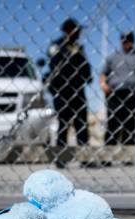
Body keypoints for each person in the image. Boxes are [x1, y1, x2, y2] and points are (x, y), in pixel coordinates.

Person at [100, 31, 135, 145]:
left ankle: (129, 155)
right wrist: (103, 85)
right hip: (115, 93)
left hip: (132, 93)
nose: (126, 43)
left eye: (129, 40)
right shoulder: (113, 57)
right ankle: (107, 155)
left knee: (130, 125)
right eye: (124, 40)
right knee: (112, 123)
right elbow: (103, 74)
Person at [46, 18, 92, 152]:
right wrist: (67, 52)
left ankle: (85, 155)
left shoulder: (79, 47)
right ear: (69, 31)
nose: (79, 33)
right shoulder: (56, 45)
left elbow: (85, 66)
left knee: (81, 124)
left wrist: (87, 77)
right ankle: (61, 156)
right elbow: (53, 63)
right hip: (62, 91)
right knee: (63, 123)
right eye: (76, 30)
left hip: (78, 90)